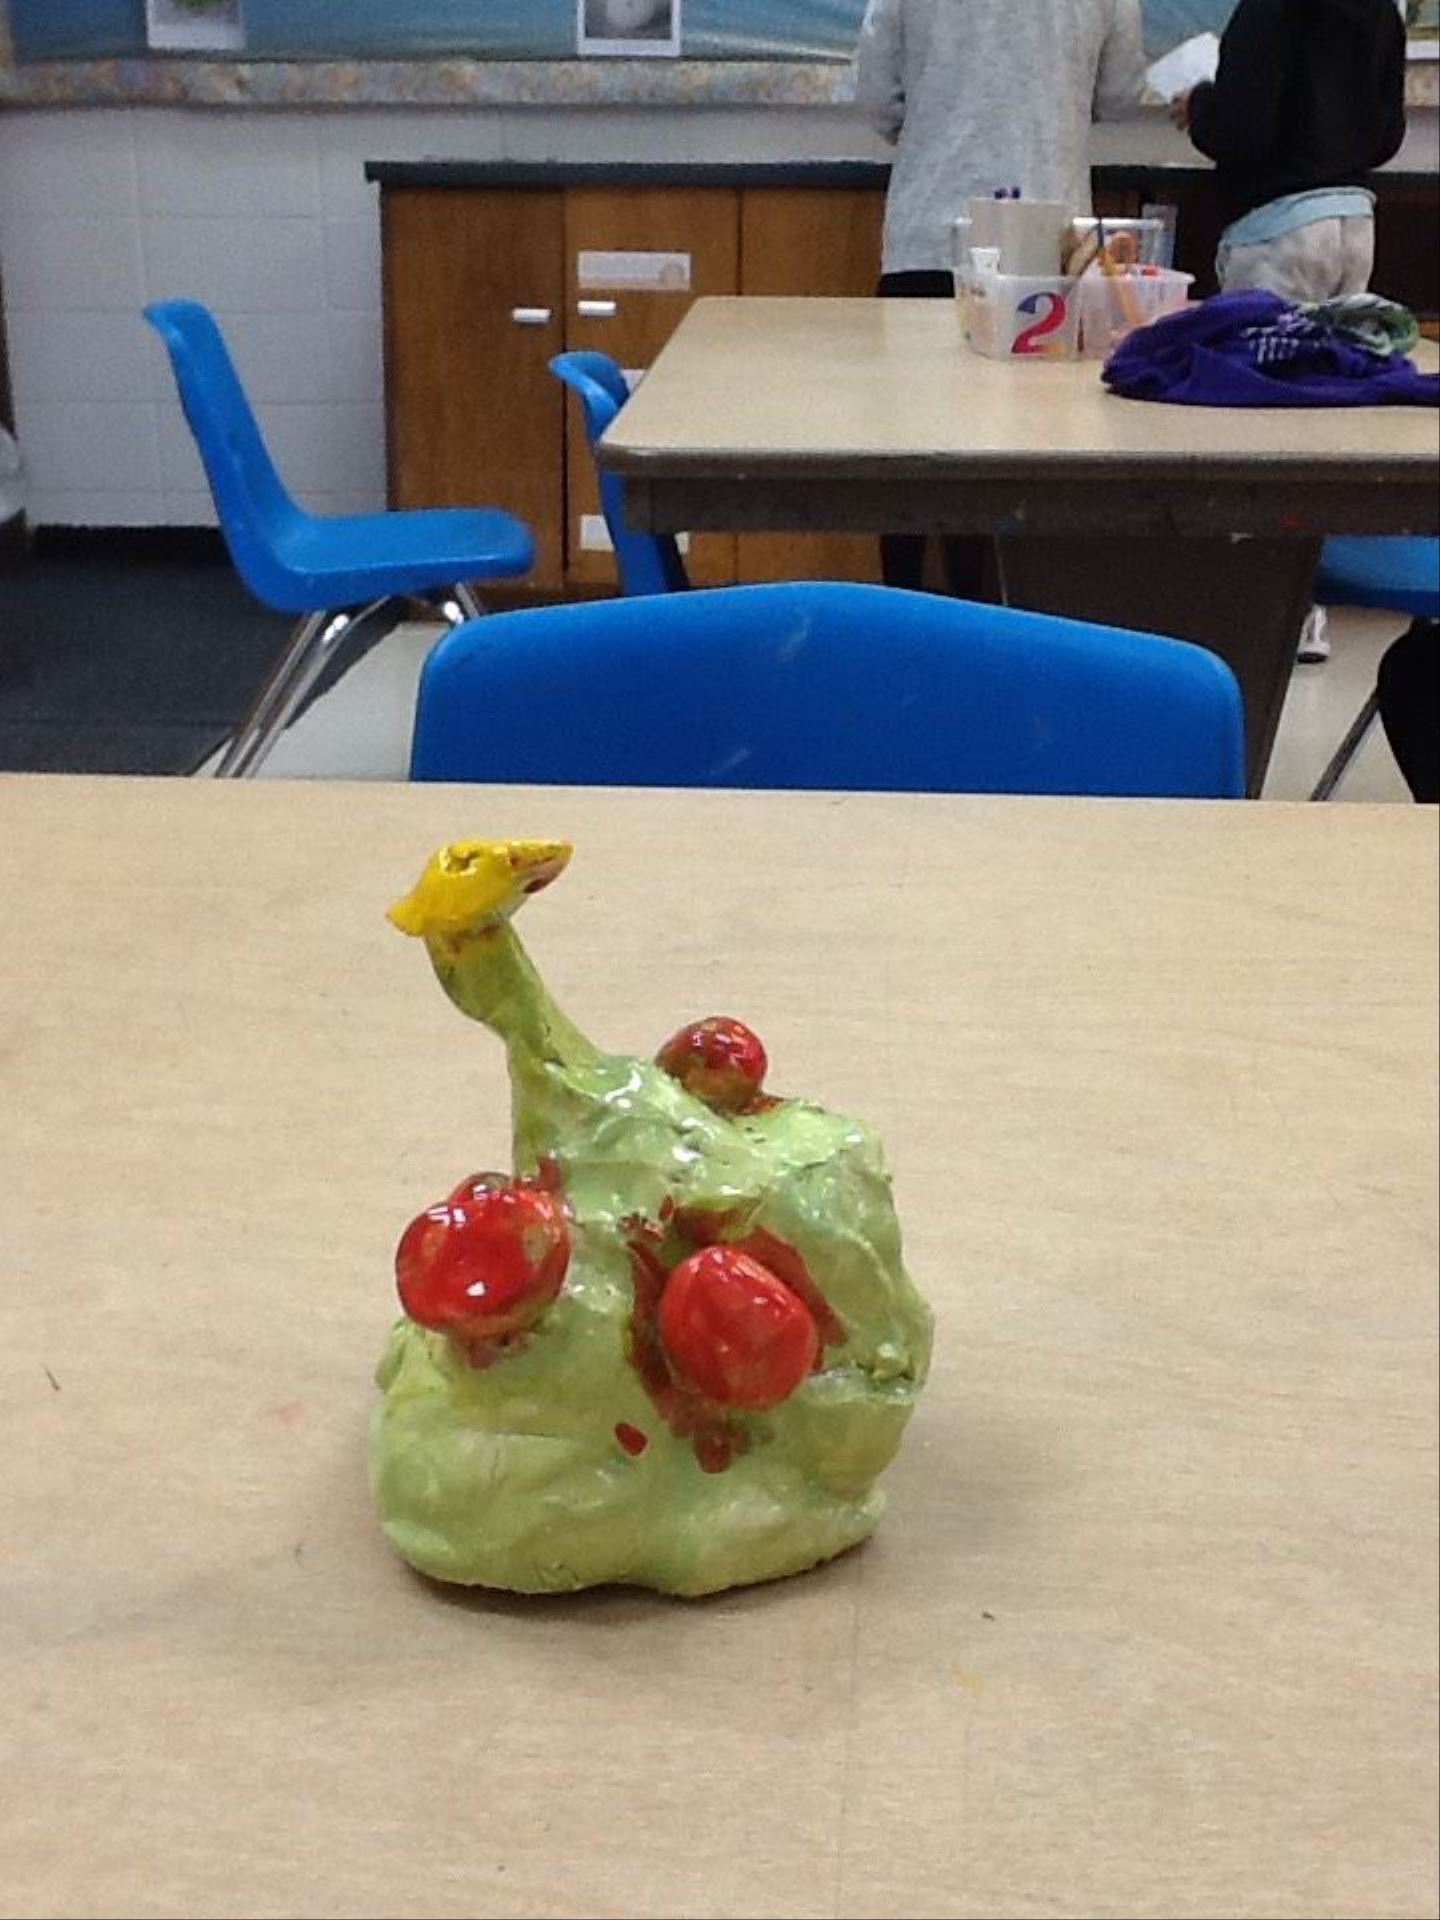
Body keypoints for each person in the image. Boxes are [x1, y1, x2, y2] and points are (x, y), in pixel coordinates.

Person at [854, 0, 1146, 593]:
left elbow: (877, 98)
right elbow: (1120, 95)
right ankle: (994, 614)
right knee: (1019, 452)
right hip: (1044, 247)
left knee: (905, 448)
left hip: (928, 235)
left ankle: (902, 613)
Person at [1172, 0, 1407, 662]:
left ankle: (1272, 608)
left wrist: (1199, 107)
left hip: (1277, 227)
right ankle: (1310, 594)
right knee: (1326, 416)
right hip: (1355, 223)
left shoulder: (1268, 8)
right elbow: (1387, 134)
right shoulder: (1379, 10)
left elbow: (1242, 129)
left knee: (1260, 423)